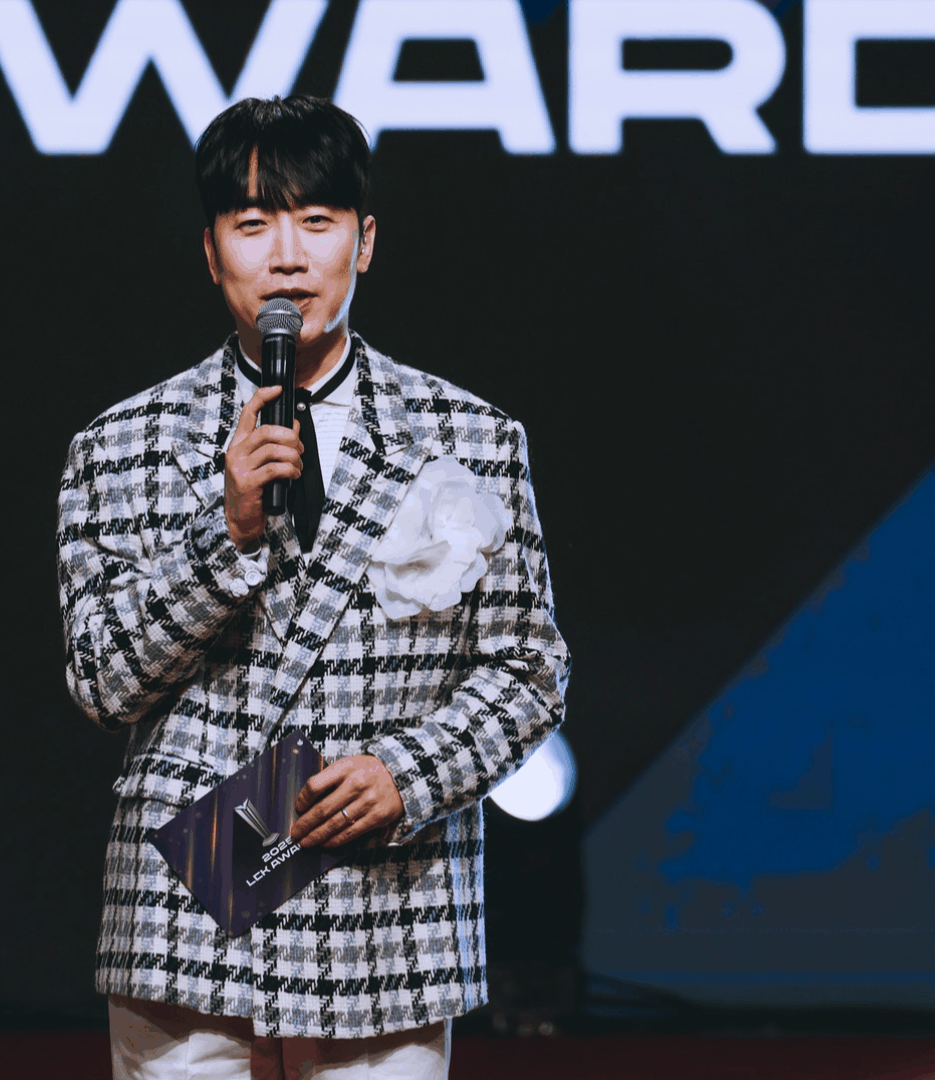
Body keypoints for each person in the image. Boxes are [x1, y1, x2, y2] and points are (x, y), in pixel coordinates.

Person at [56, 95, 570, 1079]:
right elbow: (101, 681)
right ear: (211, 252)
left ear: (363, 242)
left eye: (317, 221)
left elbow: (527, 670)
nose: (287, 257)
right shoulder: (121, 446)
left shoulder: (468, 437)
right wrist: (225, 535)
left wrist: (408, 773)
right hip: (189, 908)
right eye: (252, 225)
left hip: (383, 902)